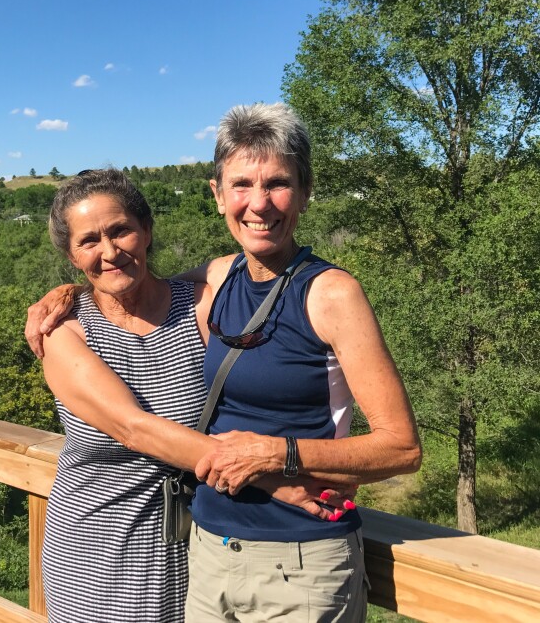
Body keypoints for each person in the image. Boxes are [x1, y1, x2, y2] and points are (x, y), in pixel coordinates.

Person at [28, 104, 422, 622]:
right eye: (241, 185)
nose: (259, 204)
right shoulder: (88, 325)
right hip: (139, 553)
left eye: (278, 183)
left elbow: (402, 447)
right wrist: (64, 295)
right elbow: (134, 425)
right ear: (218, 195)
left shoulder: (245, 293)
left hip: (239, 556)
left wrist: (274, 456)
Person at [38, 168, 352, 623]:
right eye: (89, 241)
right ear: (71, 255)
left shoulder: (202, 304)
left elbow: (259, 256)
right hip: (96, 556)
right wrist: (274, 479)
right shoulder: (65, 333)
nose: (110, 251)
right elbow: (133, 428)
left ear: (146, 231)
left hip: (196, 555)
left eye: (121, 230)